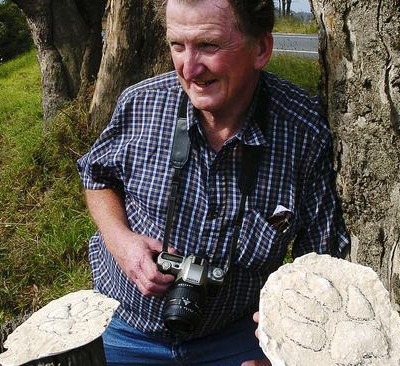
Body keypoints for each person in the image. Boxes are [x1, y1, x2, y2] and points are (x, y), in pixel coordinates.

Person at [77, 0, 349, 364]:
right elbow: (96, 176)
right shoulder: (141, 104)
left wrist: (288, 351)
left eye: (209, 45)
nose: (189, 68)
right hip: (123, 326)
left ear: (261, 49)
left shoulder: (302, 129)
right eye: (177, 45)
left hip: (237, 336)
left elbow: (319, 258)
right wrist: (121, 241)